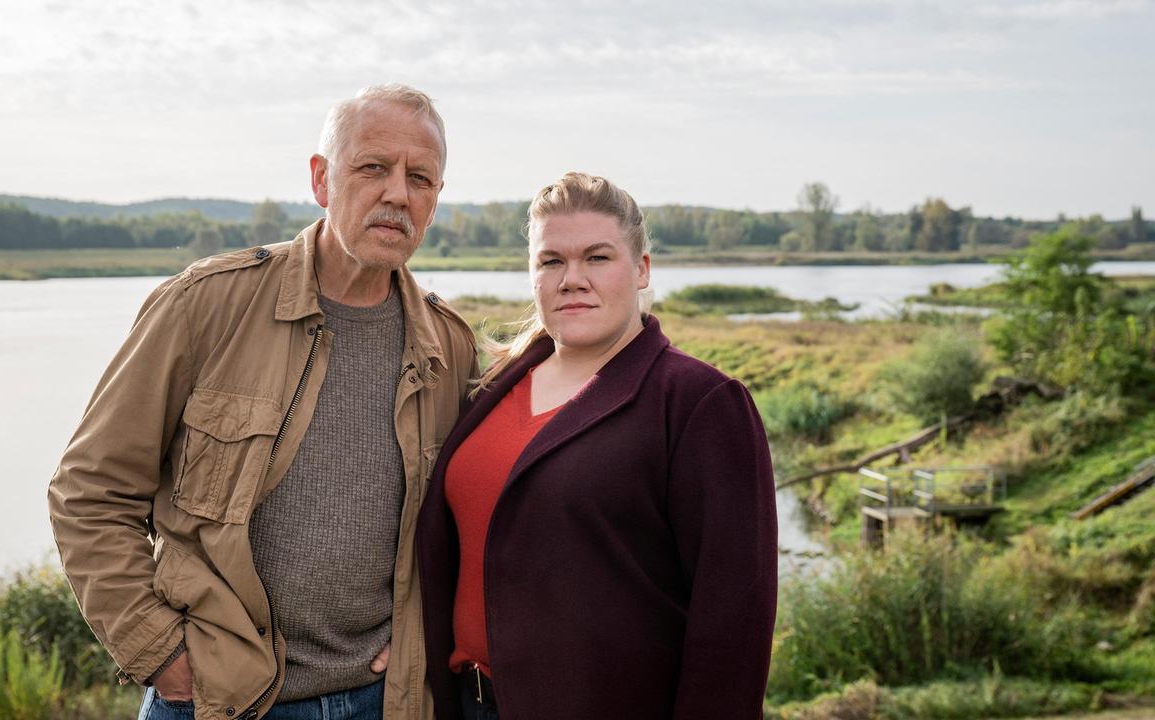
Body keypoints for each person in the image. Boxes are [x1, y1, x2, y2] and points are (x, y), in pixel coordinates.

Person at [48, 84, 477, 720]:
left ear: (436, 200)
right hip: (220, 701)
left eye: (421, 178)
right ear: (321, 179)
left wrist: (421, 636)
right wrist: (160, 653)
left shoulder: (449, 346)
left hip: (382, 702)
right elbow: (89, 492)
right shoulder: (206, 304)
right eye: (373, 168)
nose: (397, 193)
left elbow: (461, 527)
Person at [415, 172, 778, 720]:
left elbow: (733, 621)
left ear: (642, 270)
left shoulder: (697, 402)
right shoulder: (494, 385)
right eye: (551, 261)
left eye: (598, 258)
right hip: (468, 703)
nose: (572, 279)